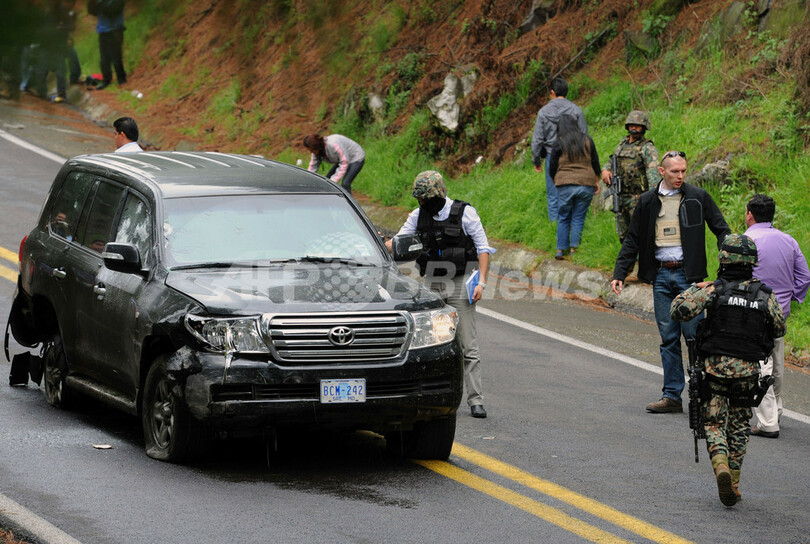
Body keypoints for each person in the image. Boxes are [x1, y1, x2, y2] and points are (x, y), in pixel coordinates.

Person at [611, 150, 730, 413]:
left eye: (683, 171)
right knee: (668, 338)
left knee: (695, 337)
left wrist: (731, 265)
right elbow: (632, 239)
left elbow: (721, 229)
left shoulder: (698, 197)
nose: (680, 176)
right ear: (662, 172)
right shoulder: (647, 201)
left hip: (690, 279)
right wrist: (620, 273)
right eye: (675, 171)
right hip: (661, 276)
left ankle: (704, 396)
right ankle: (672, 396)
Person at [671, 234, 785, 506]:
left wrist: (698, 288)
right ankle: (733, 482)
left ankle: (720, 464)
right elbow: (779, 328)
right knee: (739, 425)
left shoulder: (715, 290)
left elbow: (678, 310)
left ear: (724, 259)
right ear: (752, 263)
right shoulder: (764, 295)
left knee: (712, 423)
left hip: (715, 370)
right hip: (747, 372)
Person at [385, 171, 495, 418]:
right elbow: (399, 241)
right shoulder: (417, 215)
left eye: (425, 198)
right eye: (419, 199)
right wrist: (376, 244)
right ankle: (428, 395)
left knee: (468, 345)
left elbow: (483, 248)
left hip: (460, 281)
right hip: (432, 284)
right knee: (428, 341)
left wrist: (482, 283)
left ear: (438, 194)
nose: (422, 203)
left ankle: (476, 399)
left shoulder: (465, 213)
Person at [744, 194, 810, 438]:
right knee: (777, 361)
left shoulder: (745, 240)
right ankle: (777, 410)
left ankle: (768, 421)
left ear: (749, 214)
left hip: (752, 310)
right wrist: (790, 298)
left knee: (760, 364)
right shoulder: (788, 241)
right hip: (779, 312)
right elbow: (804, 277)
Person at [531, 77, 587, 223]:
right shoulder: (576, 110)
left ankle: (556, 230)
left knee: (553, 195)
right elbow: (584, 136)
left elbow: (537, 139)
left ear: (552, 92)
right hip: (573, 157)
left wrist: (536, 160)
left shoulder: (543, 112)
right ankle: (572, 227)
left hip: (552, 157)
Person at [600, 110, 660, 243]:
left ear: (644, 127)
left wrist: (652, 198)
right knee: (623, 235)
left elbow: (654, 174)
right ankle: (628, 261)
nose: (634, 127)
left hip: (638, 198)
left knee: (639, 234)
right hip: (621, 196)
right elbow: (611, 163)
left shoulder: (647, 148)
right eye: (631, 125)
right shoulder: (621, 145)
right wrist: (605, 171)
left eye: (637, 125)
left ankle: (641, 262)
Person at [548, 114, 600, 259]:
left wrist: (554, 179)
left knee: (564, 216)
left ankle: (560, 250)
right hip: (586, 183)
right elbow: (595, 162)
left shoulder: (559, 143)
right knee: (578, 217)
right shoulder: (587, 140)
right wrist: (596, 180)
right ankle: (573, 249)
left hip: (565, 184)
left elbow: (552, 166)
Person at [88, 0, 126, 90]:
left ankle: (121, 78)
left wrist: (98, 2)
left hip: (115, 29)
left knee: (116, 56)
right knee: (104, 58)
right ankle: (106, 79)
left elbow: (110, 11)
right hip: (103, 30)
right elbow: (93, 12)